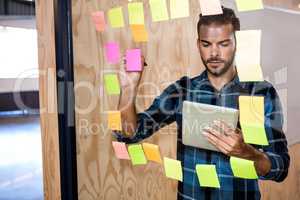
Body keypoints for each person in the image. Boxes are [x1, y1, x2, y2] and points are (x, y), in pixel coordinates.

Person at [114, 6, 290, 200]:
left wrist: (248, 153)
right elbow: (129, 134)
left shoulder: (262, 93)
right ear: (198, 44)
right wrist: (128, 89)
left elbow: (281, 168)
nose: (214, 53)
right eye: (206, 44)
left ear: (237, 43)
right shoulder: (182, 90)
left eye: (223, 44)